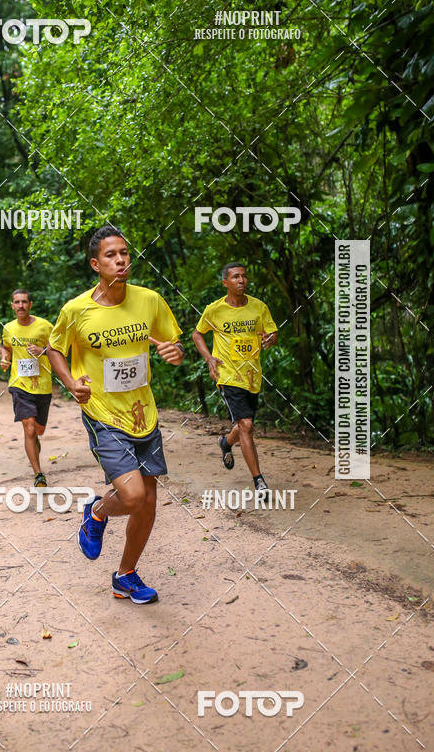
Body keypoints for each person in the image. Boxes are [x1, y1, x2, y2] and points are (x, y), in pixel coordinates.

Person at [47, 225, 184, 605]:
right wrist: (71, 383)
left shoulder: (149, 300)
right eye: (111, 255)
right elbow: (54, 349)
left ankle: (125, 575)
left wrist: (174, 354)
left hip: (145, 414)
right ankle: (97, 511)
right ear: (95, 264)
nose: (121, 259)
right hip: (103, 413)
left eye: (124, 252)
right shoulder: (77, 310)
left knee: (149, 502)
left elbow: (171, 343)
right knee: (134, 495)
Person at [192, 262, 278, 496]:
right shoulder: (215, 310)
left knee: (243, 425)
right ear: (225, 283)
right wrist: (209, 358)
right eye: (235, 277)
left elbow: (272, 332)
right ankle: (259, 480)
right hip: (227, 374)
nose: (241, 280)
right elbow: (197, 333)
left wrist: (271, 339)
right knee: (246, 425)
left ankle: (226, 443)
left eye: (244, 276)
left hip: (252, 375)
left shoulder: (259, 307)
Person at [1, 290, 53, 488]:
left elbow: (58, 349)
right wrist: (5, 358)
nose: (21, 305)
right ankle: (38, 474)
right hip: (19, 384)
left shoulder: (44, 326)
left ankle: (34, 441)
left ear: (30, 304)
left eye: (24, 302)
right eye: (17, 302)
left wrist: (43, 351)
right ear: (12, 305)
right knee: (28, 426)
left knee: (38, 430)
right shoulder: (8, 328)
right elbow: (6, 347)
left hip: (42, 385)